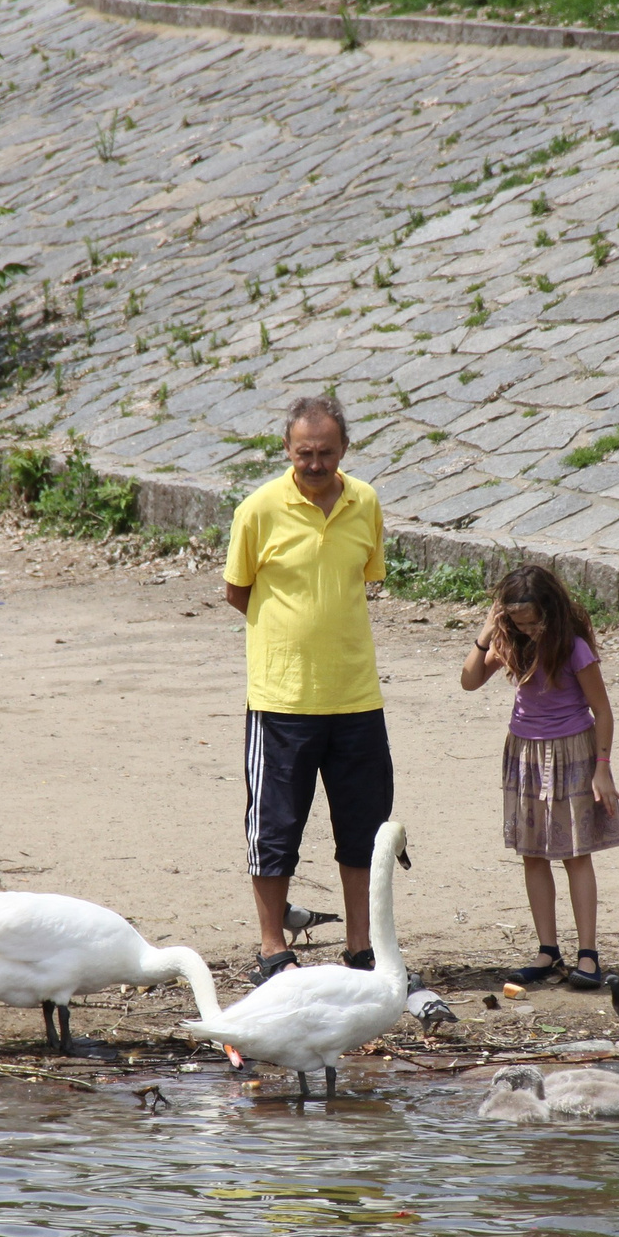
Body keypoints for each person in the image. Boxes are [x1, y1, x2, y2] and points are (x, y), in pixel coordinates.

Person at [225, 394, 393, 982]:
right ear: (287, 451)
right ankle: (273, 947)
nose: (315, 464)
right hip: (281, 702)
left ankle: (360, 945)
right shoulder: (257, 510)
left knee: (364, 828)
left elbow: (363, 579)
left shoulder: (366, 503)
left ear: (343, 450)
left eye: (325, 452)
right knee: (274, 828)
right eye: (304, 454)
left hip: (356, 698)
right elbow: (237, 591)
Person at [459, 564, 619, 989]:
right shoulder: (509, 639)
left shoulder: (574, 647)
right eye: (518, 621)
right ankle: (547, 952)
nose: (528, 629)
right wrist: (487, 632)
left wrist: (601, 770)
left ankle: (589, 956)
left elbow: (602, 710)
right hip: (524, 752)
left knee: (575, 853)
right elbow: (469, 681)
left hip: (572, 752)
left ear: (552, 610)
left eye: (534, 621)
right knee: (532, 853)